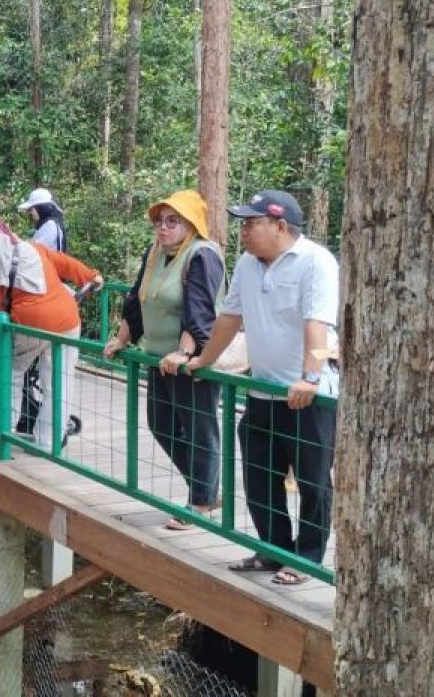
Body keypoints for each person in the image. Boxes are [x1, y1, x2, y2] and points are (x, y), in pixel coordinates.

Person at [187, 190, 339, 586]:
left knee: (313, 481)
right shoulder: (248, 265)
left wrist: (310, 376)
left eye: (253, 224)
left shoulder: (315, 262)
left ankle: (306, 559)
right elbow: (229, 317)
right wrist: (203, 360)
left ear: (281, 227)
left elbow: (318, 324)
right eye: (244, 224)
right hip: (262, 389)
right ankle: (272, 550)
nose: (245, 232)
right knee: (259, 474)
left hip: (309, 396)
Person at [104, 190, 226, 531]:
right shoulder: (156, 252)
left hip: (192, 362)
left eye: (173, 222)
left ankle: (201, 502)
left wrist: (186, 352)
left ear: (191, 225)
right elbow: (139, 299)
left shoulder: (202, 256)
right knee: (161, 424)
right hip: (158, 358)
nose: (163, 228)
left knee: (200, 430)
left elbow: (199, 309)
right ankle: (208, 488)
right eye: (160, 221)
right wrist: (123, 338)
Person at [0, 184, 103, 449]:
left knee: (11, 369)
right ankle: (48, 443)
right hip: (68, 318)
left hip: (35, 322)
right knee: (58, 382)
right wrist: (92, 276)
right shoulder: (31, 247)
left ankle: (5, 430)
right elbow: (65, 263)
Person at [18, 187, 67, 252]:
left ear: (40, 208)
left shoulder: (50, 225)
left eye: (30, 209)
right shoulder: (47, 224)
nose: (29, 213)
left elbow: (36, 250)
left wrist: (17, 242)